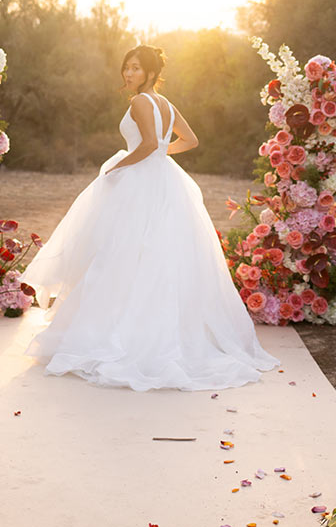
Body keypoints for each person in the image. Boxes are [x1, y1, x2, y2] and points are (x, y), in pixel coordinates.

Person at [20, 45, 279, 390]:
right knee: (151, 254)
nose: (129, 75)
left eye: (136, 69)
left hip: (141, 177)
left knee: (120, 253)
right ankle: (151, 328)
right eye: (126, 68)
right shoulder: (166, 104)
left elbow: (144, 146)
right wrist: (161, 150)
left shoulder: (140, 102)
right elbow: (189, 140)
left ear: (152, 73)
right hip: (163, 177)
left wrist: (118, 165)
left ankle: (121, 333)